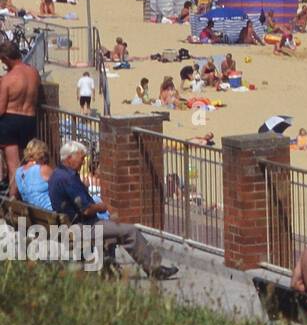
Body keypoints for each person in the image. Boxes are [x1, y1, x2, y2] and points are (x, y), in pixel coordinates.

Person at [47, 140, 178, 279]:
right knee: (130, 231)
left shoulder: (56, 174)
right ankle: (154, 269)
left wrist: (84, 189)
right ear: (69, 158)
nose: (83, 162)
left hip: (68, 225)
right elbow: (86, 210)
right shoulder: (69, 178)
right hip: (81, 227)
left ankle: (111, 268)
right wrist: (101, 206)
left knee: (114, 232)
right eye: (81, 158)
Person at [0, 41, 42, 192]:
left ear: (6, 57)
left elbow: (1, 108)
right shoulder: (34, 73)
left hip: (10, 121)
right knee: (27, 162)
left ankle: (14, 201)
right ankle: (29, 195)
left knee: (14, 165)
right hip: (29, 119)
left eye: (2, 60)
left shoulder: (7, 79)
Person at [13, 138, 53, 209]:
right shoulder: (43, 169)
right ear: (42, 154)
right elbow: (61, 186)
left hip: (32, 214)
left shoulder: (19, 171)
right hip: (49, 211)